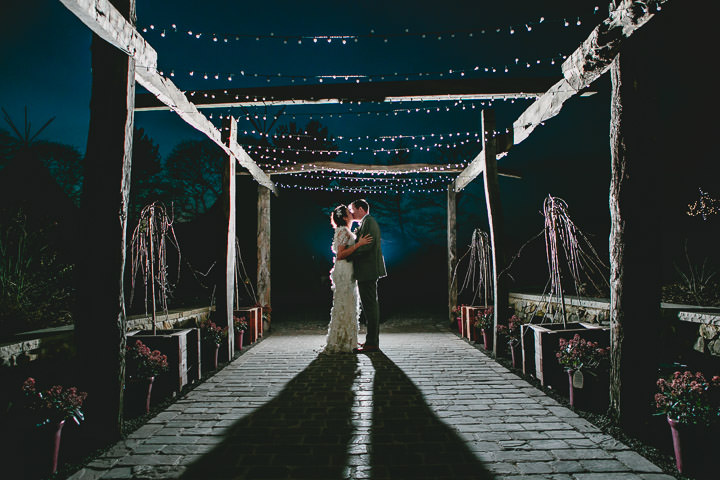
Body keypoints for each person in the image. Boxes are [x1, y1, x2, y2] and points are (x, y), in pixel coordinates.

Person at [324, 204, 373, 353]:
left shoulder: (344, 230)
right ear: (345, 217)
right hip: (344, 270)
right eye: (348, 212)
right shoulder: (344, 231)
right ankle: (342, 341)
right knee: (345, 303)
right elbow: (340, 254)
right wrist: (358, 244)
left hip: (347, 270)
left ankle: (347, 338)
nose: (351, 213)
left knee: (347, 303)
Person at [347, 199, 387, 353]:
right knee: (369, 305)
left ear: (361, 209)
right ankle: (371, 341)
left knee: (370, 306)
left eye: (353, 209)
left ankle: (372, 343)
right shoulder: (366, 222)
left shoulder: (369, 222)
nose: (351, 212)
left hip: (368, 270)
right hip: (367, 270)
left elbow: (367, 247)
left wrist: (348, 255)